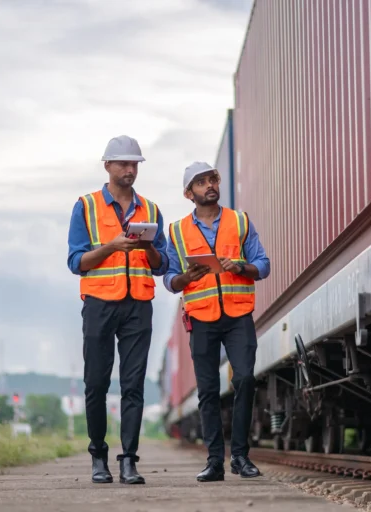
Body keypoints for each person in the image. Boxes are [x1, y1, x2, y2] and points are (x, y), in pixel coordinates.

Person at [67, 135, 168, 485]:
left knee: (133, 385)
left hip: (138, 304)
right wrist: (111, 246)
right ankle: (98, 457)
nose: (129, 170)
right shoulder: (86, 206)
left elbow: (160, 264)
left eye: (134, 164)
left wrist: (149, 246)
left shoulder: (151, 210)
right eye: (123, 163)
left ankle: (129, 461)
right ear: (107, 165)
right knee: (96, 383)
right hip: (98, 303)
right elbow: (76, 262)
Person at [164, 161, 270, 482]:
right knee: (208, 391)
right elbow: (169, 280)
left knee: (245, 380)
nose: (209, 185)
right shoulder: (177, 231)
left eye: (212, 179)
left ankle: (239, 456)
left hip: (238, 314)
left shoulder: (240, 222)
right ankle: (215, 462)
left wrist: (240, 266)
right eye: (201, 182)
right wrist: (187, 276)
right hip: (201, 318)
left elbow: (262, 265)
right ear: (188, 193)